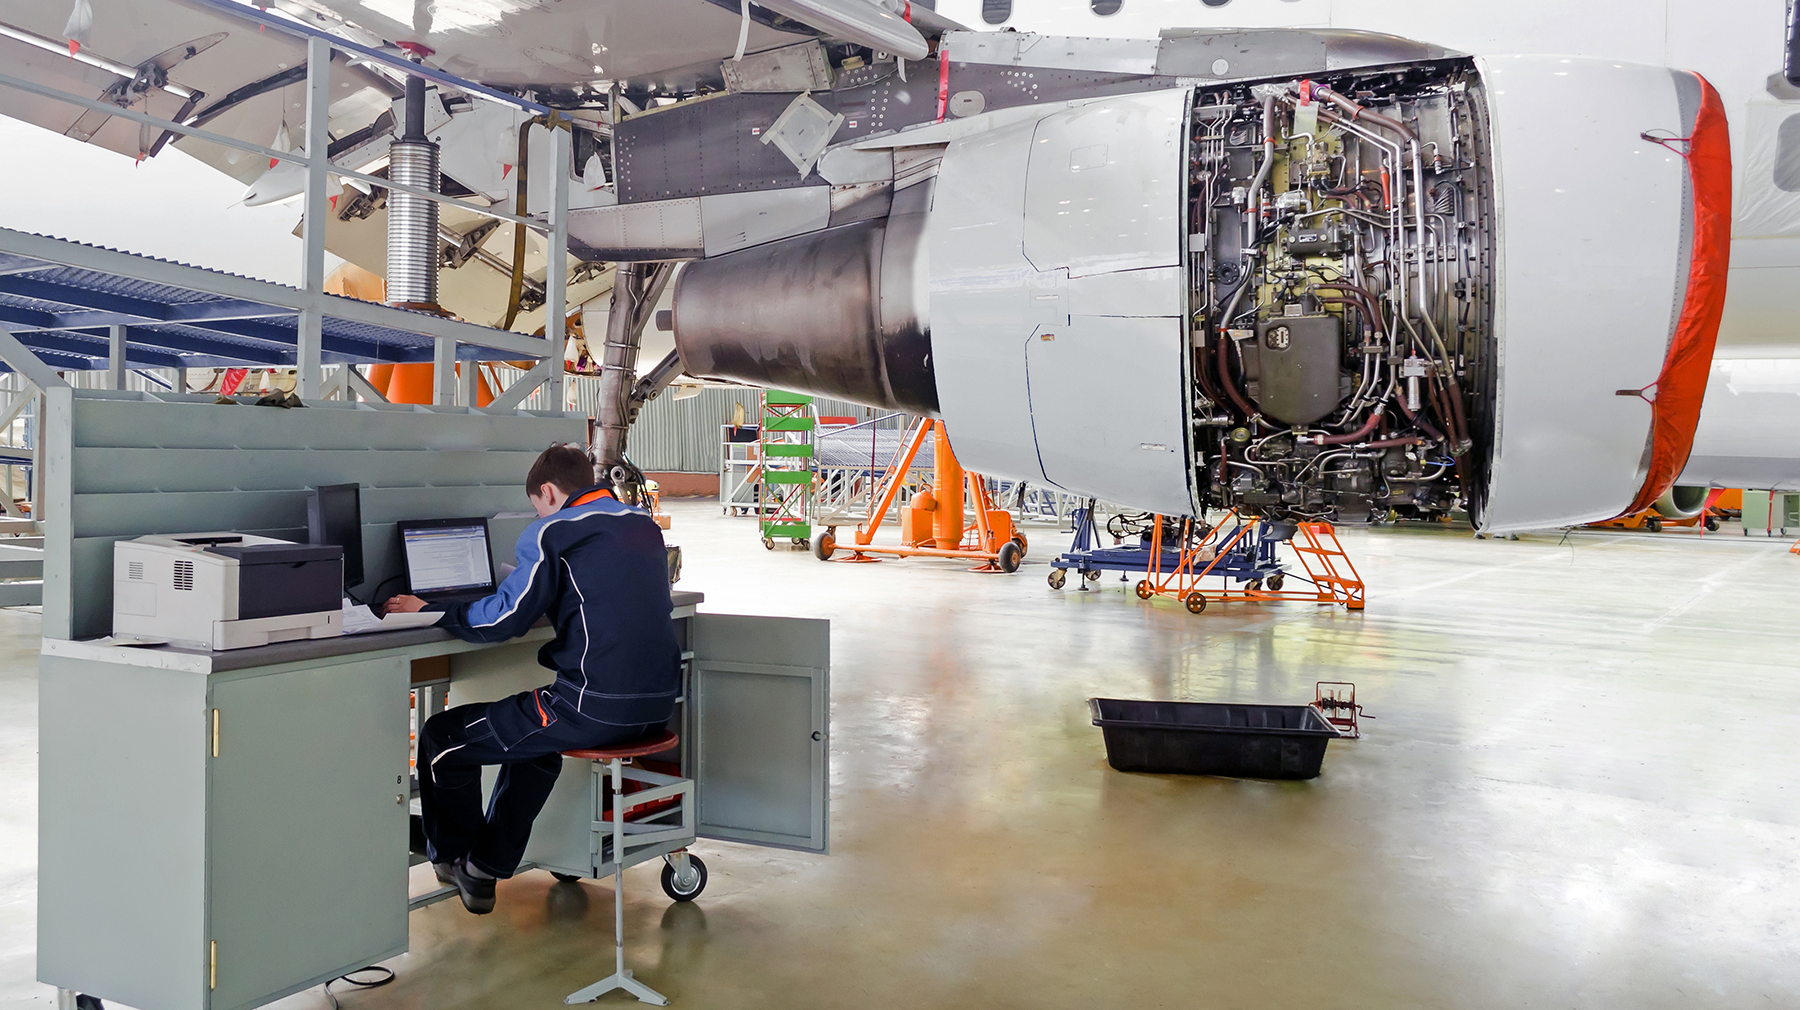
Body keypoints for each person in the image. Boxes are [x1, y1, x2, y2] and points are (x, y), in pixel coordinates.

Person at [384, 444, 679, 914]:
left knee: (441, 739)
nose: (537, 514)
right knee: (533, 746)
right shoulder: (639, 523)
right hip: (656, 706)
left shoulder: (554, 530)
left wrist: (431, 609)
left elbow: (504, 621)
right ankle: (485, 864)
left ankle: (461, 860)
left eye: (536, 505)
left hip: (592, 706)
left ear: (547, 491)